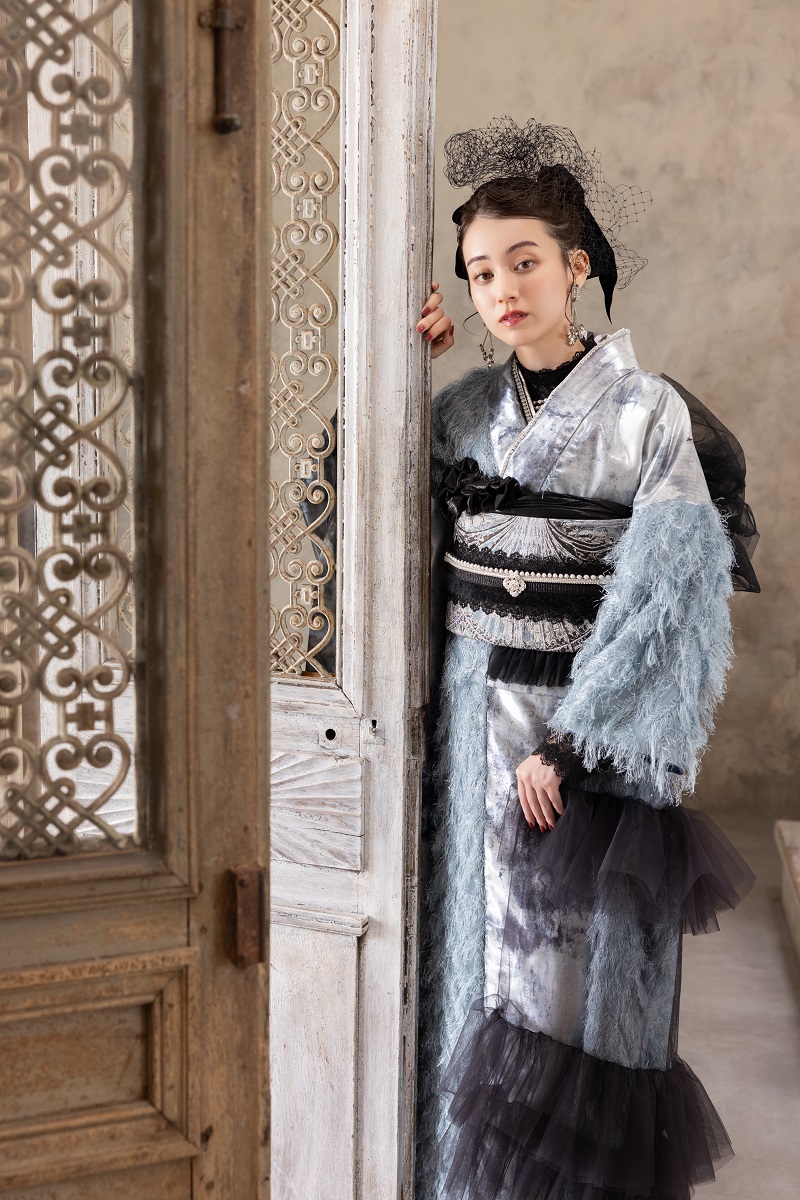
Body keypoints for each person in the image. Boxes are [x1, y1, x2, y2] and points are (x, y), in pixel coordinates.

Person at [413, 116, 759, 1200]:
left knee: (571, 976)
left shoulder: (649, 416)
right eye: (479, 272)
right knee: (475, 956)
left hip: (582, 733)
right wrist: (401, 368)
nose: (501, 289)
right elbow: (339, 509)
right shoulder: (461, 413)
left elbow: (669, 601)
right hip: (473, 716)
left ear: (575, 266)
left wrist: (573, 745)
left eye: (524, 262)